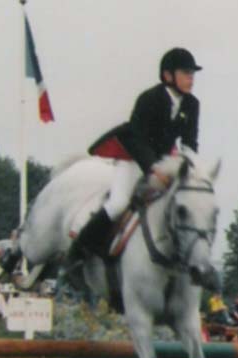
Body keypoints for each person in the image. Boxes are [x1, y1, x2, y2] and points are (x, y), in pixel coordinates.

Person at [67, 47, 202, 268]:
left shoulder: (192, 104)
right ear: (168, 76)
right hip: (132, 155)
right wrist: (153, 169)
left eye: (192, 74)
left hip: (163, 159)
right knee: (119, 203)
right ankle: (79, 250)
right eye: (186, 73)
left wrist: (192, 169)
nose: (191, 78)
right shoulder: (149, 98)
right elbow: (137, 139)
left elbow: (189, 142)